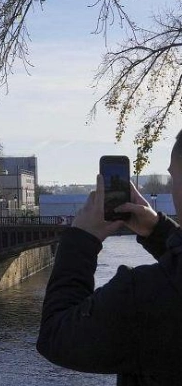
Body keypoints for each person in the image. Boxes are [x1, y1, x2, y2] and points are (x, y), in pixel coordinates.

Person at [37, 131, 182, 386]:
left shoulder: (143, 297)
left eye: (174, 176)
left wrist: (80, 239)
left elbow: (55, 335)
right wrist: (160, 232)